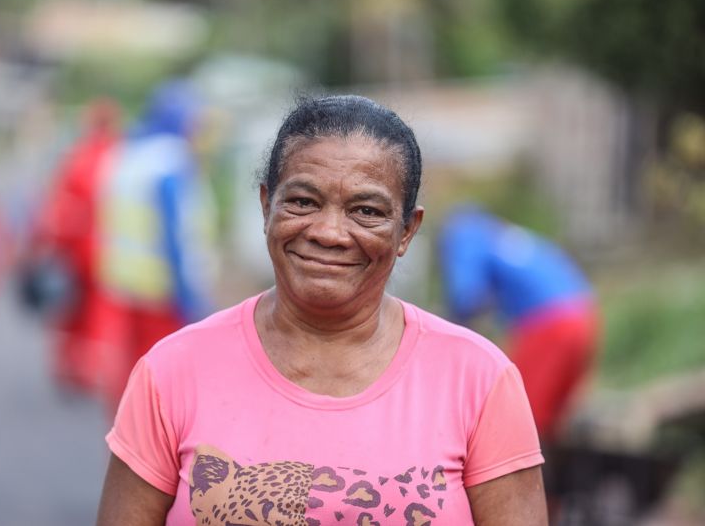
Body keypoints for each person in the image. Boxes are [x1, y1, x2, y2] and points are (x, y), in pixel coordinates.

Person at [97, 95, 548, 525]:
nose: (329, 232)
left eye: (366, 210)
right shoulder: (172, 371)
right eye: (302, 202)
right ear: (265, 206)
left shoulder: (478, 379)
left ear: (407, 231)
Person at [97, 80, 216, 412]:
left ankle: (126, 439)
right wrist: (188, 297)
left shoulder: (128, 156)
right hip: (161, 286)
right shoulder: (171, 163)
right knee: (164, 377)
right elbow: (175, 233)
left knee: (132, 366)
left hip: (124, 279)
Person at [437, 204, 599, 442]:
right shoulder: (503, 234)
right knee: (549, 421)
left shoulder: (463, 232)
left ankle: (521, 478)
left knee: (518, 420)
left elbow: (466, 298)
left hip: (549, 323)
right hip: (585, 316)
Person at [29, 98, 122, 395]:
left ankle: (69, 366)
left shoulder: (77, 156)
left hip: (72, 245)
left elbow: (57, 203)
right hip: (104, 248)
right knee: (96, 311)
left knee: (68, 308)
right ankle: (89, 368)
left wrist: (48, 241)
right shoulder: (118, 156)